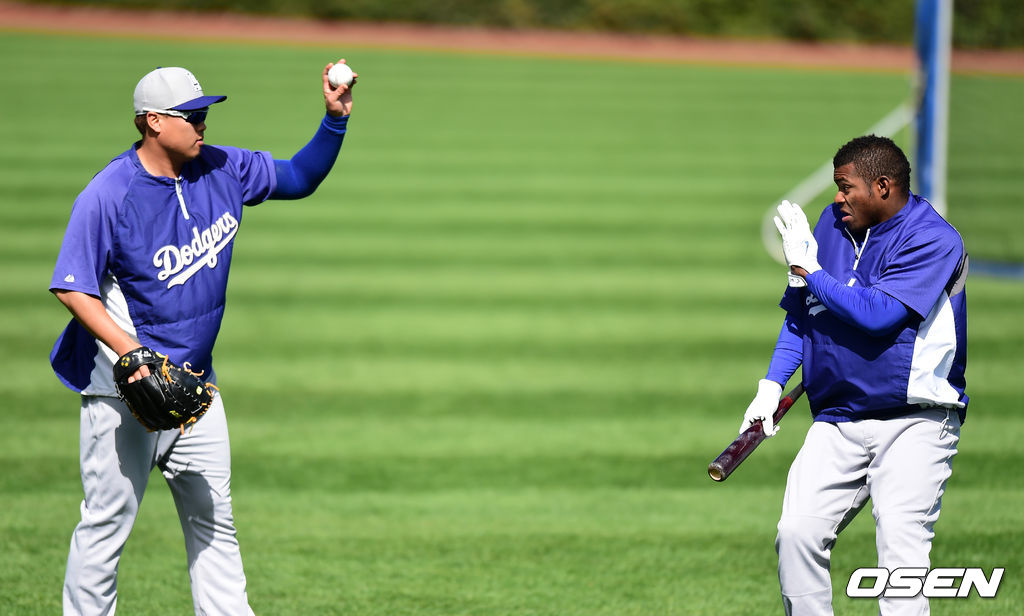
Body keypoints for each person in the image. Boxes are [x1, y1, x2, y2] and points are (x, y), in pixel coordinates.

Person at [49, 60, 356, 615]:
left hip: (195, 388)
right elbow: (72, 288)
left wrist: (333, 120)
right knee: (105, 527)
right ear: (152, 122)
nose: (201, 123)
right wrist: (130, 352)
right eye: (189, 115)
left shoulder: (222, 168)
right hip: (126, 393)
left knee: (215, 523)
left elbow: (298, 177)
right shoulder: (109, 193)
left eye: (204, 112)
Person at [740, 135, 968, 615]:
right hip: (837, 419)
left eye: (847, 188)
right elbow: (803, 312)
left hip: (914, 422)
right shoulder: (830, 224)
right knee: (797, 534)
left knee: (900, 565)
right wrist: (770, 385)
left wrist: (811, 268)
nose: (838, 198)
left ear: (883, 186)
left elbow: (880, 315)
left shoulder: (933, 238)